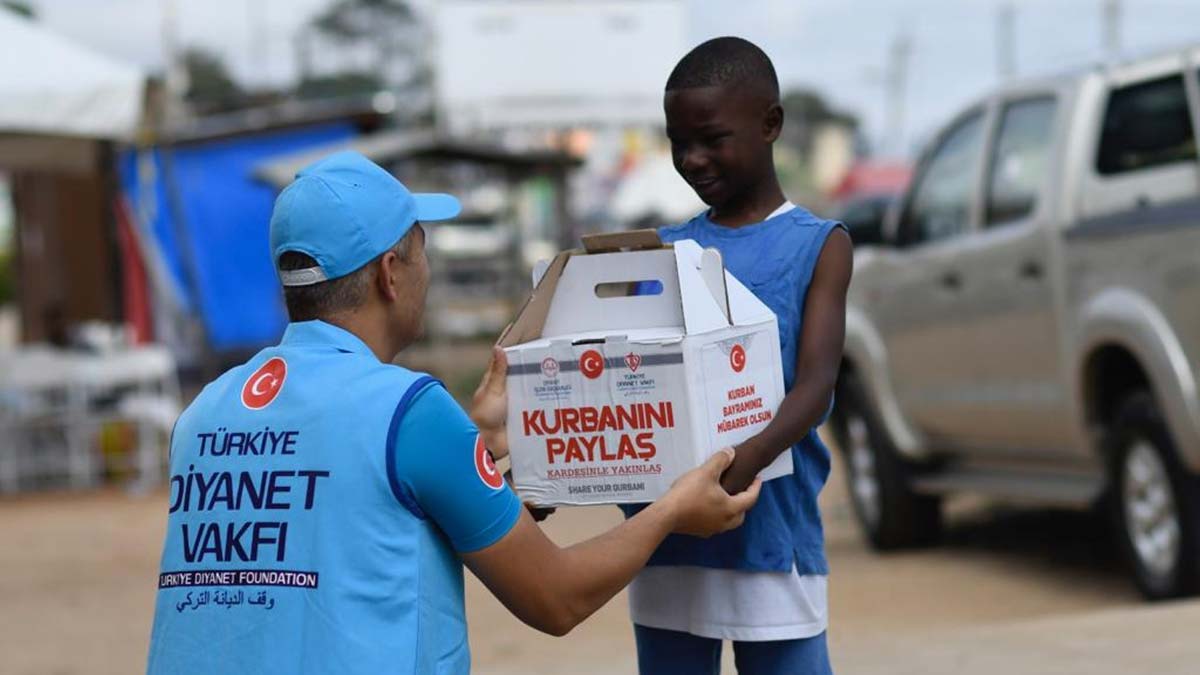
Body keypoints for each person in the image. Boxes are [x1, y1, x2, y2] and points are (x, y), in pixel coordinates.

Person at [145, 151, 761, 674]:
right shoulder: (408, 411)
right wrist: (673, 510)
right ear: (391, 273)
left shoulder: (203, 413)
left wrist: (483, 444)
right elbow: (555, 598)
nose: (427, 271)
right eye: (420, 250)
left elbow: (351, 527)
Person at [623, 37, 853, 674]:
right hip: (672, 539)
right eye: (678, 142)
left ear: (770, 124)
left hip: (770, 536)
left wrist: (736, 468)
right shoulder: (661, 254)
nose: (693, 159)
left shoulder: (818, 244)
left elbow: (814, 389)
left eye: (713, 138)